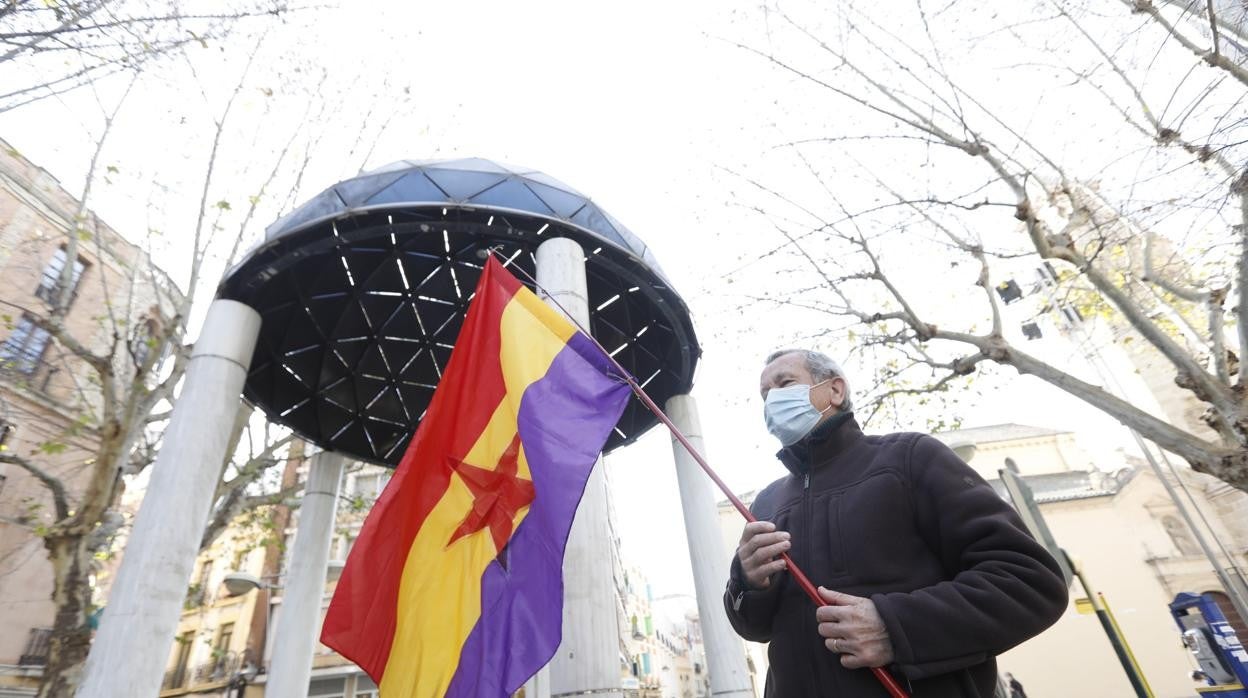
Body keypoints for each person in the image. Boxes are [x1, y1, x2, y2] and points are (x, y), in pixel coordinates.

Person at [724, 349, 1068, 697]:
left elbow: (1029, 581)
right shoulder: (766, 502)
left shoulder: (909, 458)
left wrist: (896, 628)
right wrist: (748, 582)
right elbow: (754, 628)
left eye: (785, 383)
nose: (774, 401)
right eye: (766, 395)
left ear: (836, 391)